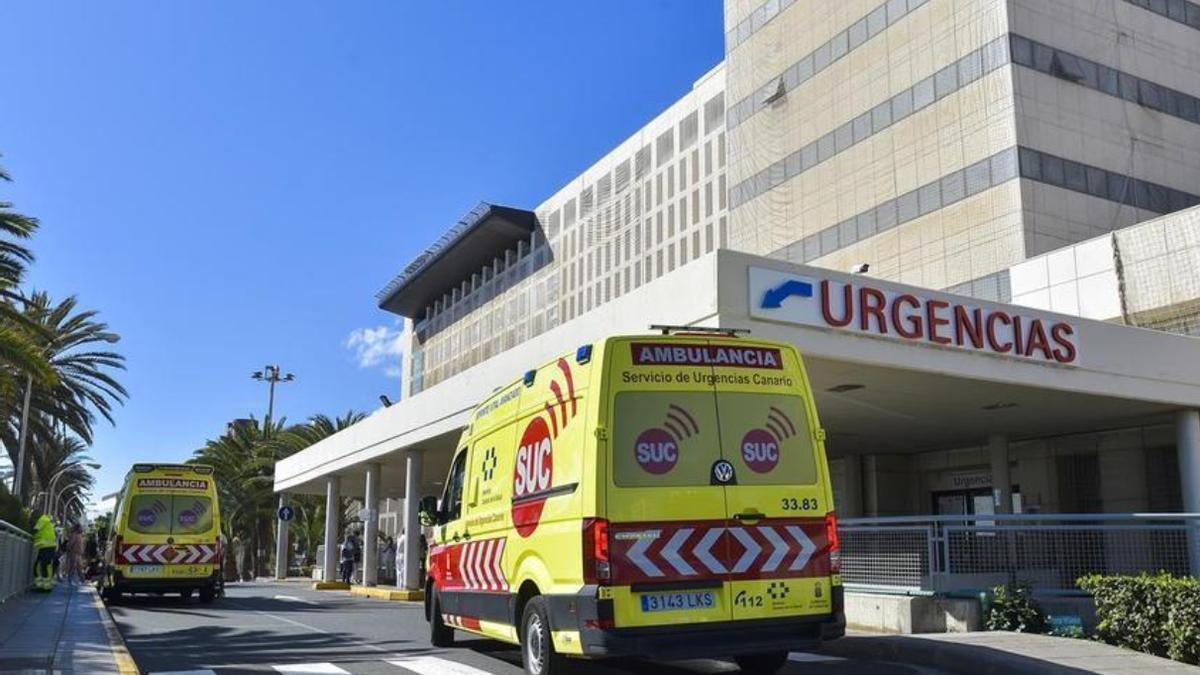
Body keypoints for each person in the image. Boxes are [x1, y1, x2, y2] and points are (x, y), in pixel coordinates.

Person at [31, 510, 57, 592]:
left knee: (42, 566)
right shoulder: (45, 520)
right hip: (47, 547)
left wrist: (30, 525)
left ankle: (44, 586)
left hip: (46, 546)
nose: (33, 518)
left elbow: (35, 530)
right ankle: (44, 586)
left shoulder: (42, 520)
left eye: (33, 516)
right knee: (42, 566)